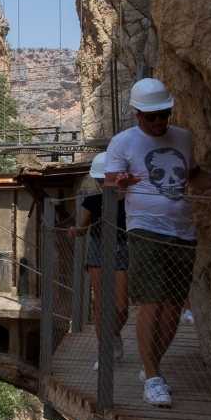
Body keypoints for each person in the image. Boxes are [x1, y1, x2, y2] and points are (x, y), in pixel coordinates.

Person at [104, 77, 211, 407]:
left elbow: (191, 174)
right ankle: (152, 377)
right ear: (137, 114)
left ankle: (154, 365)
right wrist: (120, 183)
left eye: (163, 114)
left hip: (183, 230)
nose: (158, 122)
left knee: (172, 307)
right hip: (144, 229)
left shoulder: (183, 137)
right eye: (151, 116)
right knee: (151, 302)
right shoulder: (123, 143)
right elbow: (109, 185)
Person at [72, 152, 128, 363]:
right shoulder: (92, 202)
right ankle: (104, 350)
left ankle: (112, 335)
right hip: (97, 250)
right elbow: (82, 228)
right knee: (100, 305)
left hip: (122, 248)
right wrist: (74, 231)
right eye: (100, 180)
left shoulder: (131, 199)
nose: (103, 183)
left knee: (122, 306)